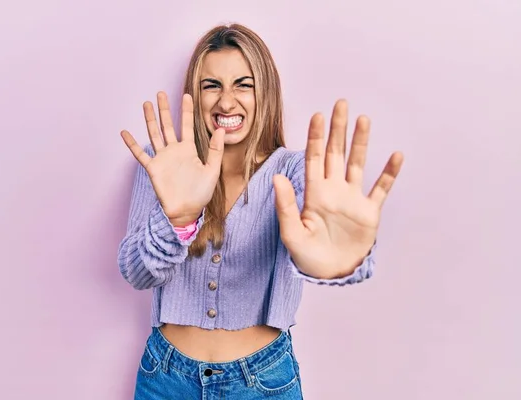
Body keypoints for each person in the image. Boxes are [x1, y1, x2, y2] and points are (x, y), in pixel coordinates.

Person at [118, 23, 403, 399]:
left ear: (264, 92)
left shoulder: (294, 171)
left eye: (243, 84)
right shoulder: (164, 162)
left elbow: (322, 240)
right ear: (195, 94)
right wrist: (178, 220)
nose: (226, 101)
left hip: (262, 383)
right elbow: (137, 274)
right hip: (166, 377)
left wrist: (340, 259)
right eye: (211, 85)